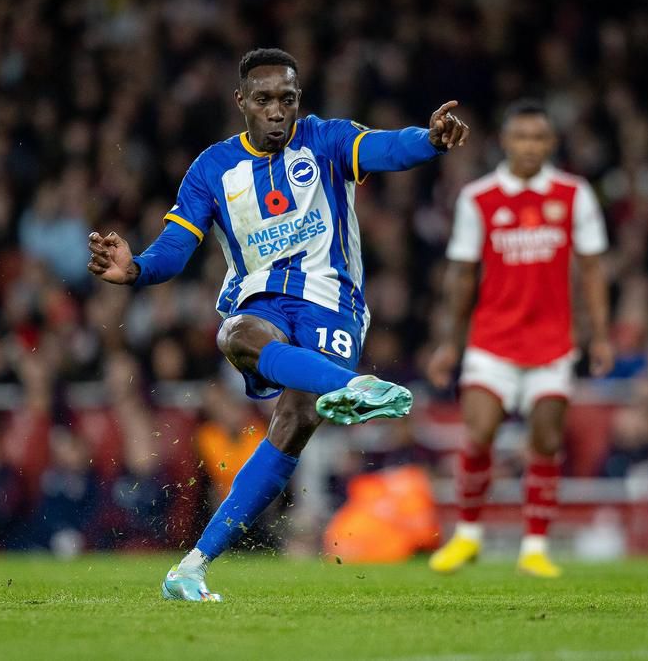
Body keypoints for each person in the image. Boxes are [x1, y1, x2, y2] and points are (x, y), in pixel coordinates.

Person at [87, 48, 468, 601]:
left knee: (293, 423)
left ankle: (190, 568)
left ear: (298, 101)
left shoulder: (327, 140)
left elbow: (387, 148)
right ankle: (352, 388)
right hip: (261, 300)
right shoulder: (213, 169)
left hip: (333, 304)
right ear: (241, 102)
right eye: (263, 99)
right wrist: (137, 268)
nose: (277, 111)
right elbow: (176, 247)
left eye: (286, 99)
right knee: (233, 334)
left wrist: (429, 139)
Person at [426, 99, 611, 578]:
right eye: (522, 136)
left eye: (539, 138)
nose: (530, 145)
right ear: (506, 141)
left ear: (551, 143)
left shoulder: (574, 194)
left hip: (551, 343)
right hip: (492, 341)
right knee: (480, 432)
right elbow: (463, 276)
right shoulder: (479, 198)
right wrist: (451, 343)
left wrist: (602, 336)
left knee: (546, 441)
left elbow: (592, 270)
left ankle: (534, 546)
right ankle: (468, 536)